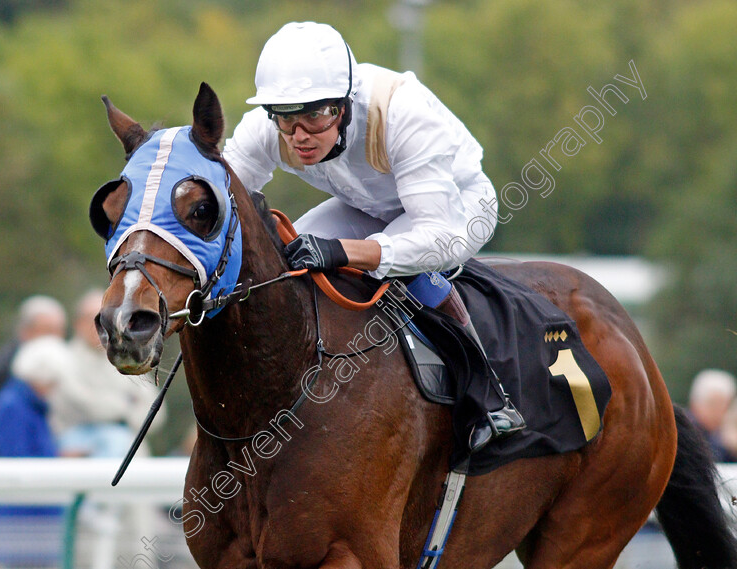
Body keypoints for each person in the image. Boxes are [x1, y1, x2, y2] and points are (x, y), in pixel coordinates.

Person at [223, 21, 524, 452]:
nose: (300, 135)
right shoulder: (268, 127)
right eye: (287, 119)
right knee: (283, 263)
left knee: (396, 268)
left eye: (315, 115)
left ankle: (488, 395)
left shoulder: (401, 112)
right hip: (366, 206)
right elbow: (220, 194)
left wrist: (342, 252)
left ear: (344, 105)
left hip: (455, 209)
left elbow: (436, 237)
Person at [49, 289, 164, 458]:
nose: (99, 327)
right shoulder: (63, 359)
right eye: (92, 319)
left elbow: (155, 409)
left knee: (125, 444)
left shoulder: (128, 357)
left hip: (128, 440)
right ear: (77, 323)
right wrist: (126, 406)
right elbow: (85, 404)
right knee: (115, 441)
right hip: (76, 444)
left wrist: (126, 419)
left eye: (105, 319)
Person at [0, 336, 70, 568]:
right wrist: (59, 459)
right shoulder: (12, 405)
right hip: (24, 518)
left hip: (38, 516)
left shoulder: (28, 405)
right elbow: (19, 460)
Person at [0, 295, 66, 456]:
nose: (54, 337)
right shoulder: (6, 372)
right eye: (47, 330)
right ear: (26, 331)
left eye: (58, 330)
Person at [689, 368, 737, 462]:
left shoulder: (720, 432)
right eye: (713, 404)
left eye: (725, 406)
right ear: (695, 404)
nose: (719, 412)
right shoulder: (687, 431)